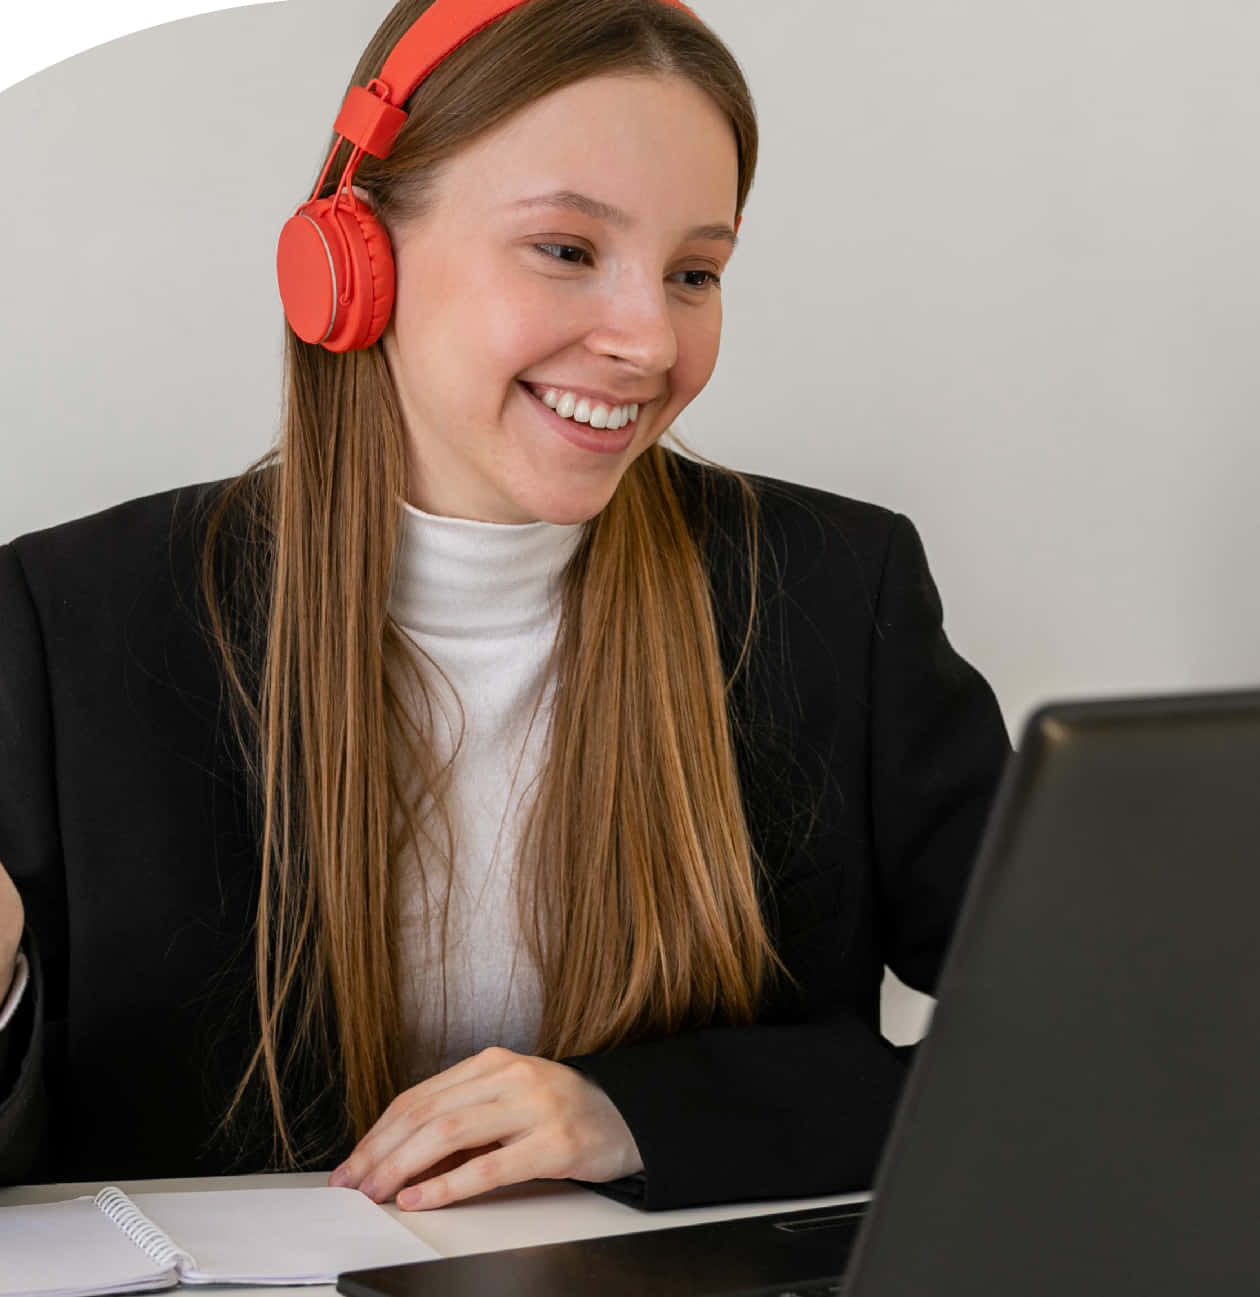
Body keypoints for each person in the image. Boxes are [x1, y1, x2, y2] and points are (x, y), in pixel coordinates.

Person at [0, 0, 1010, 1211]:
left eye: (695, 272)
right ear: (350, 257)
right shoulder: (68, 625)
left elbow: (1092, 1039)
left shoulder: (838, 591)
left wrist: (644, 1112)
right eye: (567, 250)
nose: (647, 340)